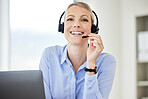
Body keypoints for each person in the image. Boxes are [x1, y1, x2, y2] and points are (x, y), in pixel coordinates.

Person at [39, 2, 116, 99]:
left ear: (93, 28)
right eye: (70, 19)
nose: (76, 24)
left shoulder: (106, 62)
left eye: (84, 20)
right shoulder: (49, 55)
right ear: (62, 27)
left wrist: (91, 64)